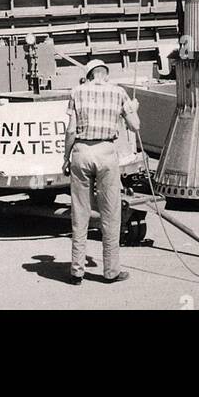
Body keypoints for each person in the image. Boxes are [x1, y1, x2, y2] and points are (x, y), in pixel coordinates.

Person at [62, 59, 141, 285]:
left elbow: (70, 131)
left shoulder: (76, 92)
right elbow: (135, 126)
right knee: (110, 212)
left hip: (81, 151)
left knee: (80, 212)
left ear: (88, 75)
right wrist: (133, 109)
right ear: (104, 74)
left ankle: (76, 271)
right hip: (106, 152)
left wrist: (66, 158)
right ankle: (111, 272)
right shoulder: (119, 93)